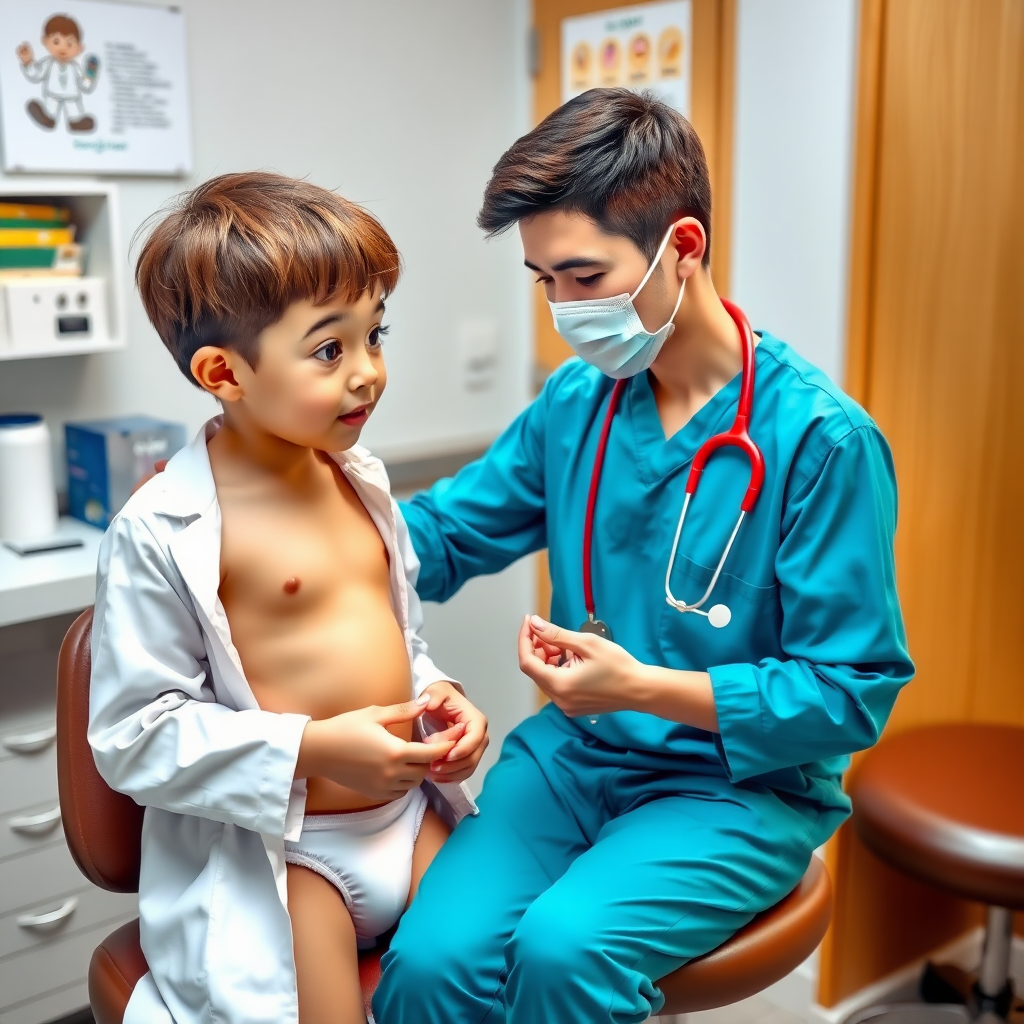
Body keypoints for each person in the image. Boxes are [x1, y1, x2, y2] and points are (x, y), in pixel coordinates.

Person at [373, 88, 914, 1024]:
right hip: (574, 760)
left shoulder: (822, 441)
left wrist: (645, 690)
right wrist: (284, 528)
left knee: (563, 950)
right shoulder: (576, 405)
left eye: (584, 278)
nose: (563, 311)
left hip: (737, 789)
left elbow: (851, 692)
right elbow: (446, 535)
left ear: (684, 248)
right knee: (428, 958)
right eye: (544, 282)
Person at [88, 172, 489, 1024]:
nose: (370, 374)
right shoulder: (164, 527)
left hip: (408, 821)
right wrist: (308, 747)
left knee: (486, 982)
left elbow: (397, 637)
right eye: (329, 350)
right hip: (297, 857)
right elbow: (134, 738)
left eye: (376, 334)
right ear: (223, 372)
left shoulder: (360, 481)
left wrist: (438, 696)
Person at [16, 14, 99, 133]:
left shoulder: (75, 67)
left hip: (72, 96)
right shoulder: (48, 63)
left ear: (79, 48)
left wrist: (90, 76)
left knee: (74, 110)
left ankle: (76, 123)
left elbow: (84, 85)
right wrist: (28, 62)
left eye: (69, 44)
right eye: (56, 41)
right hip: (52, 94)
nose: (63, 49)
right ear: (45, 41)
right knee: (50, 109)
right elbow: (37, 75)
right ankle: (47, 118)